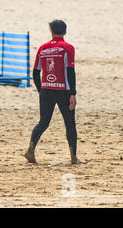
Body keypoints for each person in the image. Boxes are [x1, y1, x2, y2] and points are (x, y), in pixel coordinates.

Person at [24, 20, 87, 165]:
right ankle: (74, 157)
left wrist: (41, 89)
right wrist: (73, 93)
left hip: (46, 89)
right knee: (70, 123)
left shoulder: (42, 48)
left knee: (43, 122)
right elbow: (70, 71)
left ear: (51, 31)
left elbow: (35, 72)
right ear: (65, 32)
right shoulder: (68, 48)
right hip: (63, 90)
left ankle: (30, 150)